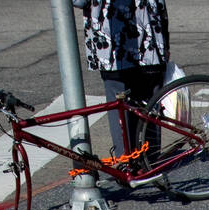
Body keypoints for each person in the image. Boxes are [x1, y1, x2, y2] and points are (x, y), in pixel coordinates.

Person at [72, 1, 170, 158]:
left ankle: (126, 162)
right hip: (150, 40)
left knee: (119, 106)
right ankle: (151, 162)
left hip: (113, 49)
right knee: (150, 103)